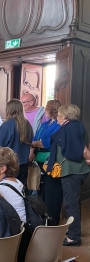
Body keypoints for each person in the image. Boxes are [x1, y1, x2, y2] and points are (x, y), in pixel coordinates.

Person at [46, 104, 90, 246]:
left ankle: (74, 237)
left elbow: (76, 149)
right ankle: (73, 230)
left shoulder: (69, 129)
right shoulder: (76, 127)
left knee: (71, 204)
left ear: (65, 117)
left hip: (72, 171)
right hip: (77, 170)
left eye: (59, 114)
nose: (57, 117)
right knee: (73, 203)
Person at [0, 146, 29, 262]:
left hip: (14, 237)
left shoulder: (0, 189)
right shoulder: (17, 182)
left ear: (3, 168)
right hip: (24, 231)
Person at [30, 99, 62, 224]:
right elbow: (35, 137)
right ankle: (42, 220)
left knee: (52, 193)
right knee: (40, 191)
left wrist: (34, 144)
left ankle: (52, 221)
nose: (44, 111)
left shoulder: (58, 126)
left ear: (51, 110)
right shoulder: (45, 124)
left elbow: (49, 143)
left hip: (51, 163)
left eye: (46, 109)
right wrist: (34, 146)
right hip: (38, 161)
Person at [0, 99, 33, 192]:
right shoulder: (27, 124)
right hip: (24, 163)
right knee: (21, 191)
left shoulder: (7, 125)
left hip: (9, 164)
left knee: (8, 191)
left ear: (9, 110)